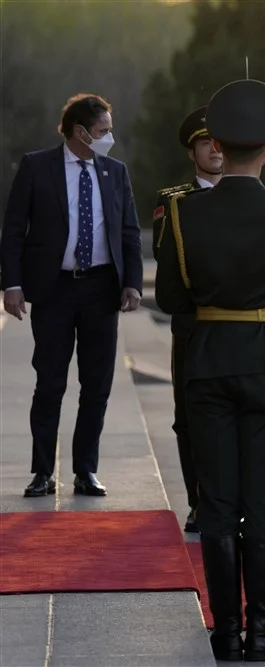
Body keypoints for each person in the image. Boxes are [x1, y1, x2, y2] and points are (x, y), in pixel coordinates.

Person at [155, 78, 265, 661]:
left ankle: (225, 631)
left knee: (218, 500)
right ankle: (262, 630)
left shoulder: (181, 213)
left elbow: (173, 298)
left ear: (217, 143)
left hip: (206, 365)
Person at [0, 93, 143, 499]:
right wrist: (12, 283)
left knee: (96, 384)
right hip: (54, 289)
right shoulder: (36, 167)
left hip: (101, 289)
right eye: (103, 130)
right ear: (80, 132)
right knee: (50, 383)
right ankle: (42, 471)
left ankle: (85, 470)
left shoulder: (115, 172)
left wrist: (132, 281)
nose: (109, 137)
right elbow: (13, 230)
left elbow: (128, 232)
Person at [151, 105, 223, 533]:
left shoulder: (248, 194)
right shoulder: (173, 201)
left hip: (237, 321)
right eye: (203, 144)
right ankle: (199, 501)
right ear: (191, 152)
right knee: (189, 415)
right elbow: (168, 261)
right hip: (193, 322)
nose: (214, 151)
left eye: (219, 143)